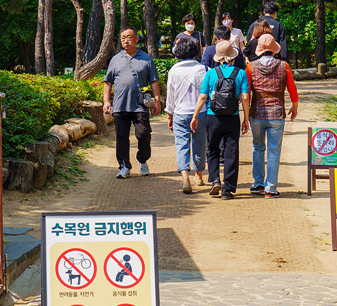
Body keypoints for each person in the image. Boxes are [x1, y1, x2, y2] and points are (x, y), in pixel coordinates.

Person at [191, 40, 250, 200]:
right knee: (231, 152)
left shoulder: (211, 73)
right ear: (233, 57)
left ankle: (215, 179)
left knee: (212, 149)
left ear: (217, 57)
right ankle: (227, 189)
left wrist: (195, 115)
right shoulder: (241, 73)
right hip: (232, 117)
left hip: (213, 116)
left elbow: (203, 96)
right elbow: (245, 98)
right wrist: (246, 118)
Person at [102, 28, 162, 179]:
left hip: (140, 105)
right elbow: (108, 82)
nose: (126, 40)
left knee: (143, 134)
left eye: (129, 37)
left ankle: (142, 158)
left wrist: (157, 101)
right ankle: (124, 166)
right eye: (123, 38)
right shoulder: (115, 59)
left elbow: (154, 81)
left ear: (136, 39)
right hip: (120, 105)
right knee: (121, 137)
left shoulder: (146, 59)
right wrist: (106, 101)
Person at [246, 33, 298, 198]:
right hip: (277, 112)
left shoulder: (251, 67)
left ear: (259, 49)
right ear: (274, 49)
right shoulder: (284, 66)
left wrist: (246, 116)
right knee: (274, 151)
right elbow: (292, 87)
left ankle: (258, 184)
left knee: (258, 148)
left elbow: (246, 93)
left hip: (257, 112)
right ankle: (271, 188)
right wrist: (294, 105)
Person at [165, 34, 207, 193]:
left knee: (181, 146)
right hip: (200, 112)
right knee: (200, 144)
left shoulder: (174, 70)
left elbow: (170, 95)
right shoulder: (203, 69)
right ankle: (199, 176)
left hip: (180, 113)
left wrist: (169, 114)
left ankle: (185, 179)